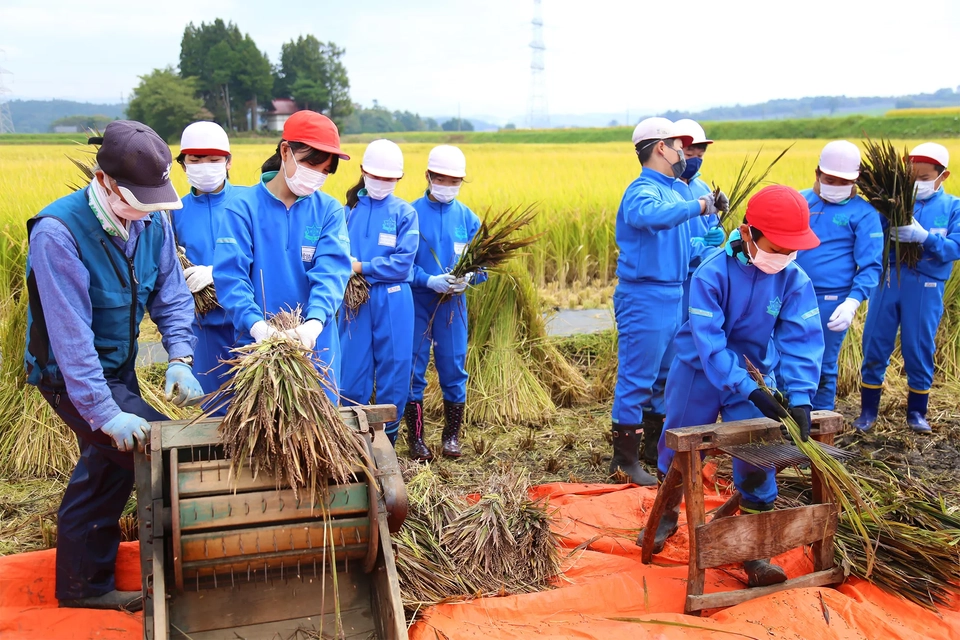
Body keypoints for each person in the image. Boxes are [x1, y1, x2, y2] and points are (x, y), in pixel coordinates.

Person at [24, 120, 204, 610]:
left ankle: (83, 587)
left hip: (115, 366)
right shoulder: (58, 235)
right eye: (138, 198)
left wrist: (180, 357)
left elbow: (169, 292)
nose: (147, 210)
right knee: (157, 454)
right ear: (105, 181)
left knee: (110, 467)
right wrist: (104, 414)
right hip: (66, 375)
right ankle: (177, 578)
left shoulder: (151, 217)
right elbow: (71, 342)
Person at [654, 185, 823, 586]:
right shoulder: (711, 271)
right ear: (748, 233)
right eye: (776, 247)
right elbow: (709, 342)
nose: (783, 257)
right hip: (699, 370)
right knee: (679, 451)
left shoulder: (792, 278)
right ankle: (665, 514)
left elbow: (802, 339)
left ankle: (754, 551)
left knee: (755, 457)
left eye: (790, 250)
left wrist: (799, 397)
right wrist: (748, 389)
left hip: (754, 375)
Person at [611, 117, 725, 485]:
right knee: (636, 377)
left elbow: (682, 246)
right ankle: (623, 461)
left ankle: (649, 450)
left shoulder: (675, 191)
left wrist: (709, 244)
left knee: (664, 377)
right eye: (680, 145)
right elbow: (651, 217)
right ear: (661, 147)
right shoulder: (643, 190)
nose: (684, 153)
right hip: (645, 294)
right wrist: (701, 206)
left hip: (675, 291)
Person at [214, 111, 353, 400]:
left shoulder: (329, 210)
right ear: (285, 150)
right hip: (258, 347)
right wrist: (257, 327)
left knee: (318, 432)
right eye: (310, 164)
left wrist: (313, 324)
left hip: (316, 345)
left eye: (325, 171)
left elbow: (331, 273)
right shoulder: (242, 209)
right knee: (262, 431)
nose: (317, 176)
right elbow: (231, 276)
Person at [856, 142, 960, 433]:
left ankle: (916, 413)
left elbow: (956, 246)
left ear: (943, 176)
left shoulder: (953, 207)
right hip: (889, 280)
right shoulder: (890, 201)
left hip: (925, 285)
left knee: (918, 346)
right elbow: (870, 237)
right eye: (912, 178)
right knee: (875, 342)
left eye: (925, 179)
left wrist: (924, 237)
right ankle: (867, 412)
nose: (917, 184)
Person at [406, 145, 486, 460]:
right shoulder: (409, 214)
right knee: (413, 369)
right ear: (428, 176)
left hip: (453, 308)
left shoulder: (468, 218)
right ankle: (415, 439)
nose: (447, 186)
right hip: (417, 302)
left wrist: (470, 279)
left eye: (455, 181)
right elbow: (400, 266)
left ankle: (451, 437)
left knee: (453, 367)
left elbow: (483, 267)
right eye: (441, 179)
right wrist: (427, 279)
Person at [339, 140, 419, 443]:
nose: (382, 183)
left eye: (389, 178)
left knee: (395, 370)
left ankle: (388, 441)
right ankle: (353, 442)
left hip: (394, 298)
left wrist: (360, 266)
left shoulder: (405, 213)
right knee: (352, 371)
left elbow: (402, 265)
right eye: (376, 176)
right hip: (356, 300)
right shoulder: (348, 211)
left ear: (398, 179)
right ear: (363, 171)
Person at [794, 141, 883, 411]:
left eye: (843, 181)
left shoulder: (864, 213)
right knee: (786, 359)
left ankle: (821, 426)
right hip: (791, 293)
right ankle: (787, 419)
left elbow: (871, 266)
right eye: (829, 179)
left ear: (855, 180)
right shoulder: (799, 202)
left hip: (832, 300)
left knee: (823, 363)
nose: (835, 185)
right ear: (817, 173)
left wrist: (852, 302)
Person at [170, 121, 237, 404]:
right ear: (183, 165)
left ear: (228, 162)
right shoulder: (174, 213)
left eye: (213, 160)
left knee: (255, 402)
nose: (204, 166)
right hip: (202, 324)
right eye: (195, 160)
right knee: (212, 404)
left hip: (248, 320)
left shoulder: (248, 204)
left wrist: (218, 273)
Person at [672, 119, 726, 321]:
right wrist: (696, 244)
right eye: (688, 155)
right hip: (676, 275)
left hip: (703, 273)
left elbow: (713, 223)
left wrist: (717, 235)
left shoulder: (703, 188)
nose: (695, 160)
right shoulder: (665, 189)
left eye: (700, 155)